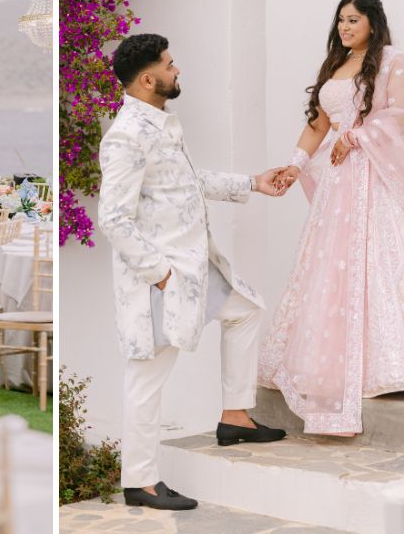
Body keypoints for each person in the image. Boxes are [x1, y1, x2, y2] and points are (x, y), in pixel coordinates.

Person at [259, 0, 404, 436]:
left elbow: (402, 117)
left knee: (386, 260)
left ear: (373, 23)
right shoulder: (335, 65)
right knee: (332, 268)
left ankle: (400, 362)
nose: (344, 27)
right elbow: (319, 123)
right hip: (339, 184)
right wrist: (295, 165)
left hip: (377, 177)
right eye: (340, 19)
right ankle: (331, 362)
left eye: (353, 20)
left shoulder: (393, 62)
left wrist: (355, 136)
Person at [98, 33, 288, 513]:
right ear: (148, 79)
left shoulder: (161, 124)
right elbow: (113, 219)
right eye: (169, 64)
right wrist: (160, 275)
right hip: (162, 279)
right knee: (147, 376)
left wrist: (252, 183)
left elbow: (188, 181)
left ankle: (235, 416)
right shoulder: (127, 135)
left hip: (195, 266)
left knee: (246, 311)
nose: (176, 69)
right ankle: (140, 482)